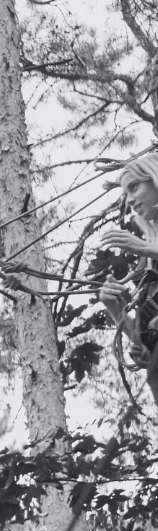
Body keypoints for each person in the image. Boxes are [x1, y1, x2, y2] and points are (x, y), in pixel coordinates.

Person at [97, 153, 158, 406]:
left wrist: (146, 249)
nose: (130, 200)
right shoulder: (149, 264)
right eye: (126, 193)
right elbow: (141, 337)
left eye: (135, 187)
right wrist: (115, 306)